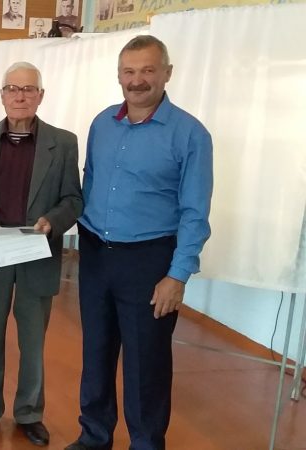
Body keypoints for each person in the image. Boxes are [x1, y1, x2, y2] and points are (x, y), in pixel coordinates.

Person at [65, 36, 213, 450]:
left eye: (148, 70)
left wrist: (177, 276)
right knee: (96, 353)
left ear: (167, 73)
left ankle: (146, 443)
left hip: (150, 262)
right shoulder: (101, 124)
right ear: (118, 76)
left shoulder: (190, 134)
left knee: (146, 363)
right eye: (129, 71)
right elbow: (90, 184)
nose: (137, 80)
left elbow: (195, 213)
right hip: (96, 254)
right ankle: (94, 436)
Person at [0, 61, 83, 447]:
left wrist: (52, 221)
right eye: (12, 88)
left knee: (33, 340)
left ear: (40, 95)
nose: (20, 96)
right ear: (2, 95)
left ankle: (29, 412)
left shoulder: (63, 143)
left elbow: (73, 198)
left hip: (36, 251)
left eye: (28, 89)